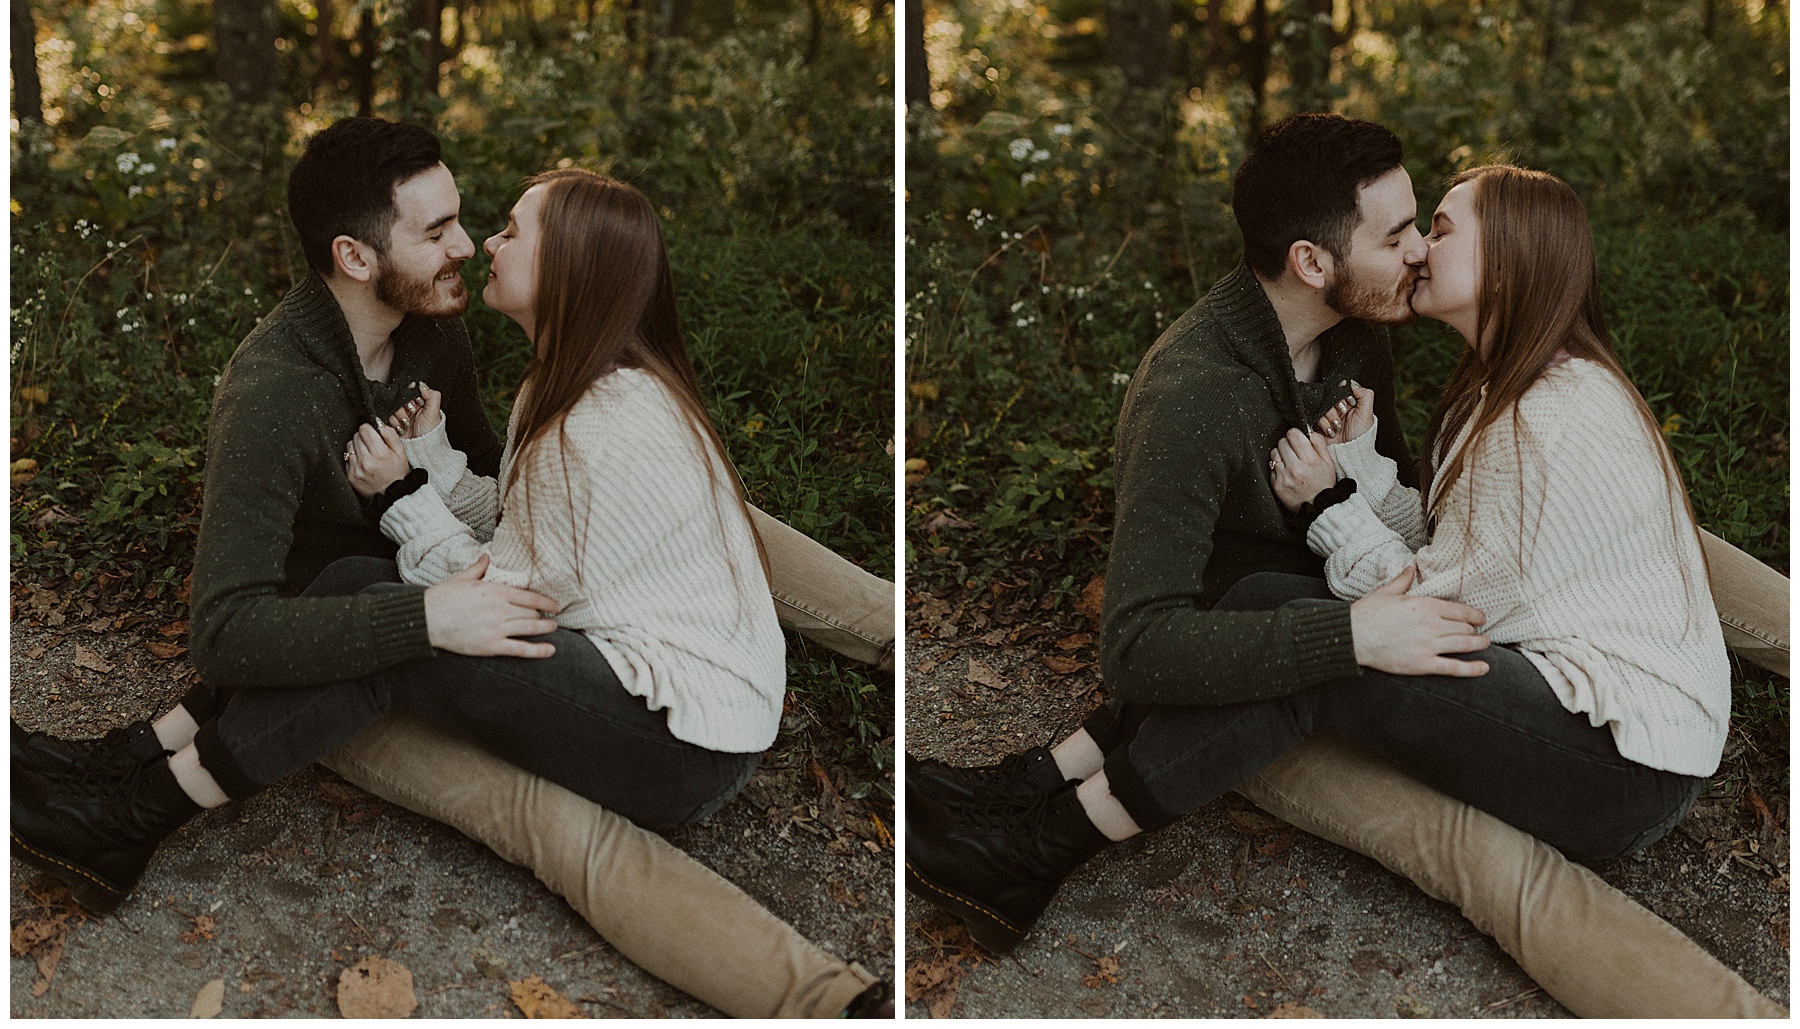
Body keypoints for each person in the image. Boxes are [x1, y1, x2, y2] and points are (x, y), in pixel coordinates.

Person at [907, 115, 1786, 1018]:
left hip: (1617, 759)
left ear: (1509, 267)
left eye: (1434, 229)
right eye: (1403, 232)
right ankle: (1029, 787)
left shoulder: (1533, 419)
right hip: (1564, 677)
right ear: (1314, 263)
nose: (1415, 252)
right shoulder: (1482, 382)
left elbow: (1433, 607)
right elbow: (1437, 545)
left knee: (1332, 658)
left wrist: (1334, 510)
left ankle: (1036, 848)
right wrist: (1362, 472)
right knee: (1267, 604)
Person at [12, 118, 892, 1018]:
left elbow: (514, 558)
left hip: (631, 689)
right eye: (439, 232)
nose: (470, 247)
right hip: (344, 629)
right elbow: (234, 629)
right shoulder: (279, 395)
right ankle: (126, 777)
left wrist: (412, 506)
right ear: (356, 256)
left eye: (485, 225)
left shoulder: (479, 360)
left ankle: (128, 807)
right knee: (420, 664)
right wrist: (426, 578)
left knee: (532, 792)